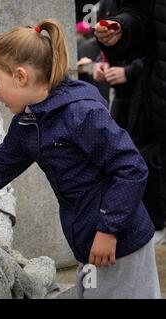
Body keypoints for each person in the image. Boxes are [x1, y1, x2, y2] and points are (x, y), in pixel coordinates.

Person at [0, 19, 161, 299]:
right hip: (89, 243)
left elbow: (131, 169)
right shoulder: (28, 123)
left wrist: (109, 230)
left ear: (21, 76)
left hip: (120, 245)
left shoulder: (81, 114)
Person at [94, 0, 166, 244]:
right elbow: (140, 22)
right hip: (144, 100)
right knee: (137, 158)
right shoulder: (105, 5)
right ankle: (155, 224)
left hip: (139, 93)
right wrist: (120, 31)